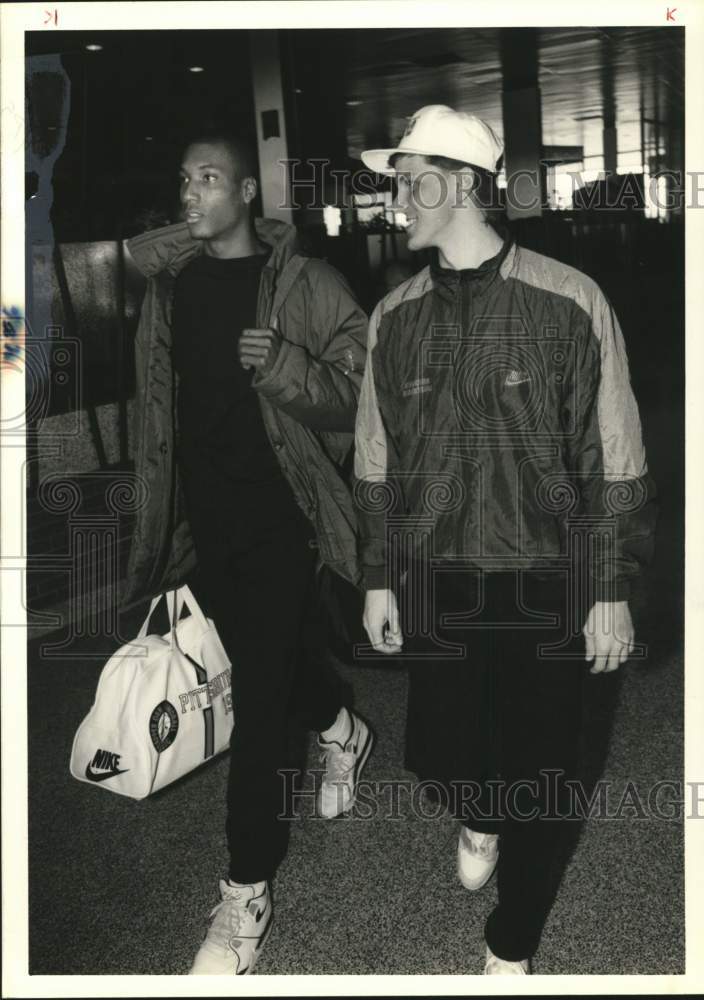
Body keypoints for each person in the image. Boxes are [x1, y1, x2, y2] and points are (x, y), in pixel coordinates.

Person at [355, 105, 657, 974]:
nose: (396, 201)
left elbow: (616, 454)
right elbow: (375, 460)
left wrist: (609, 588)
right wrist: (379, 577)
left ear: (456, 185)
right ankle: (479, 806)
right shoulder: (394, 317)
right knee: (455, 755)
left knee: (551, 771)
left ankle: (512, 940)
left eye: (409, 182)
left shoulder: (569, 300)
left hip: (550, 576)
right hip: (440, 575)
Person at [123, 132, 373, 975]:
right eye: (182, 179)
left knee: (258, 709)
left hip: (281, 520)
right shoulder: (174, 285)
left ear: (245, 193)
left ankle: (243, 894)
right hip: (205, 525)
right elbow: (164, 404)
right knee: (274, 663)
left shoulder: (306, 284)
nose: (189, 194)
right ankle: (343, 729)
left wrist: (288, 367)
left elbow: (358, 394)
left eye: (207, 179)